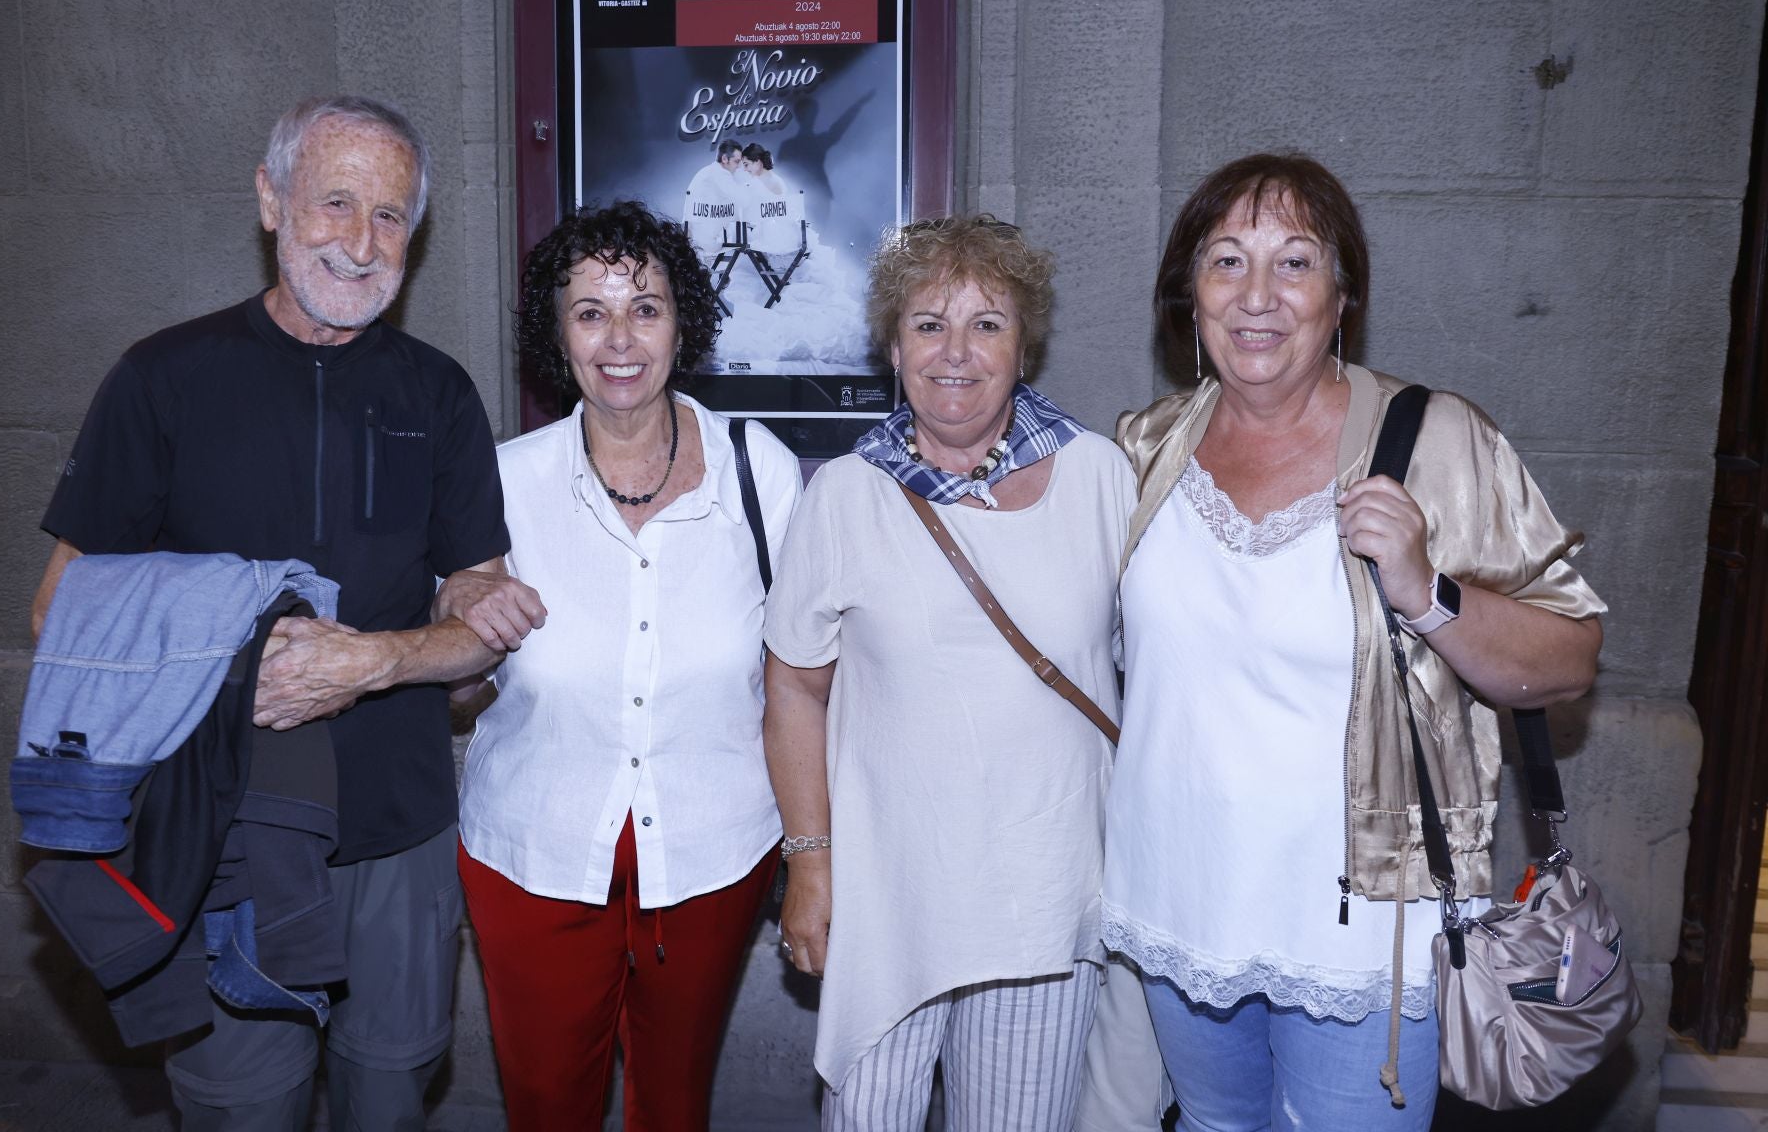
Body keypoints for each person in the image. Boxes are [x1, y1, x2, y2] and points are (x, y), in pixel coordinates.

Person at [31, 95, 542, 1131]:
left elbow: (479, 625)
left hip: (397, 838)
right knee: (240, 1105)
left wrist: (372, 660)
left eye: (391, 215)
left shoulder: (439, 394)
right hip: (217, 831)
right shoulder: (161, 378)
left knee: (392, 1090)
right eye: (336, 201)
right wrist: (230, 664)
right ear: (271, 201)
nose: (361, 242)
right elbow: (61, 611)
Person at [1100, 152, 1606, 1129]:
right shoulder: (1142, 447)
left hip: (1363, 927)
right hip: (1178, 901)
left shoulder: (1438, 439)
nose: (1257, 295)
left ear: (1342, 297)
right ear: (1189, 296)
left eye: (1294, 262)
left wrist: (1427, 589)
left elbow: (1570, 654)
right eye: (1226, 261)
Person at [762, 215, 1161, 1130]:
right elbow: (793, 687)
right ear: (892, 347)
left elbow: (1158, 671)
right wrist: (811, 868)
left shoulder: (1101, 478)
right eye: (928, 323)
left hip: (1046, 895)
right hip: (887, 894)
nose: (956, 351)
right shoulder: (848, 494)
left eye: (988, 323)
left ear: (1026, 348)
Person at [441, 201, 802, 1131]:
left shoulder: (759, 473)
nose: (619, 338)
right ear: (555, 334)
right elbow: (458, 684)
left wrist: (815, 851)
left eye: (645, 307)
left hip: (714, 852)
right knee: (547, 1101)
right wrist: (454, 624)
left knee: (673, 1101)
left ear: (683, 322)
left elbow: (802, 682)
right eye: (590, 311)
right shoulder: (502, 480)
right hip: (536, 849)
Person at [684, 140, 745, 248]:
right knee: (751, 236)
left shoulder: (709, 170)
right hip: (704, 240)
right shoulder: (720, 173)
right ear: (725, 159)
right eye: (736, 161)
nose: (739, 166)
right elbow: (741, 198)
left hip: (695, 235)